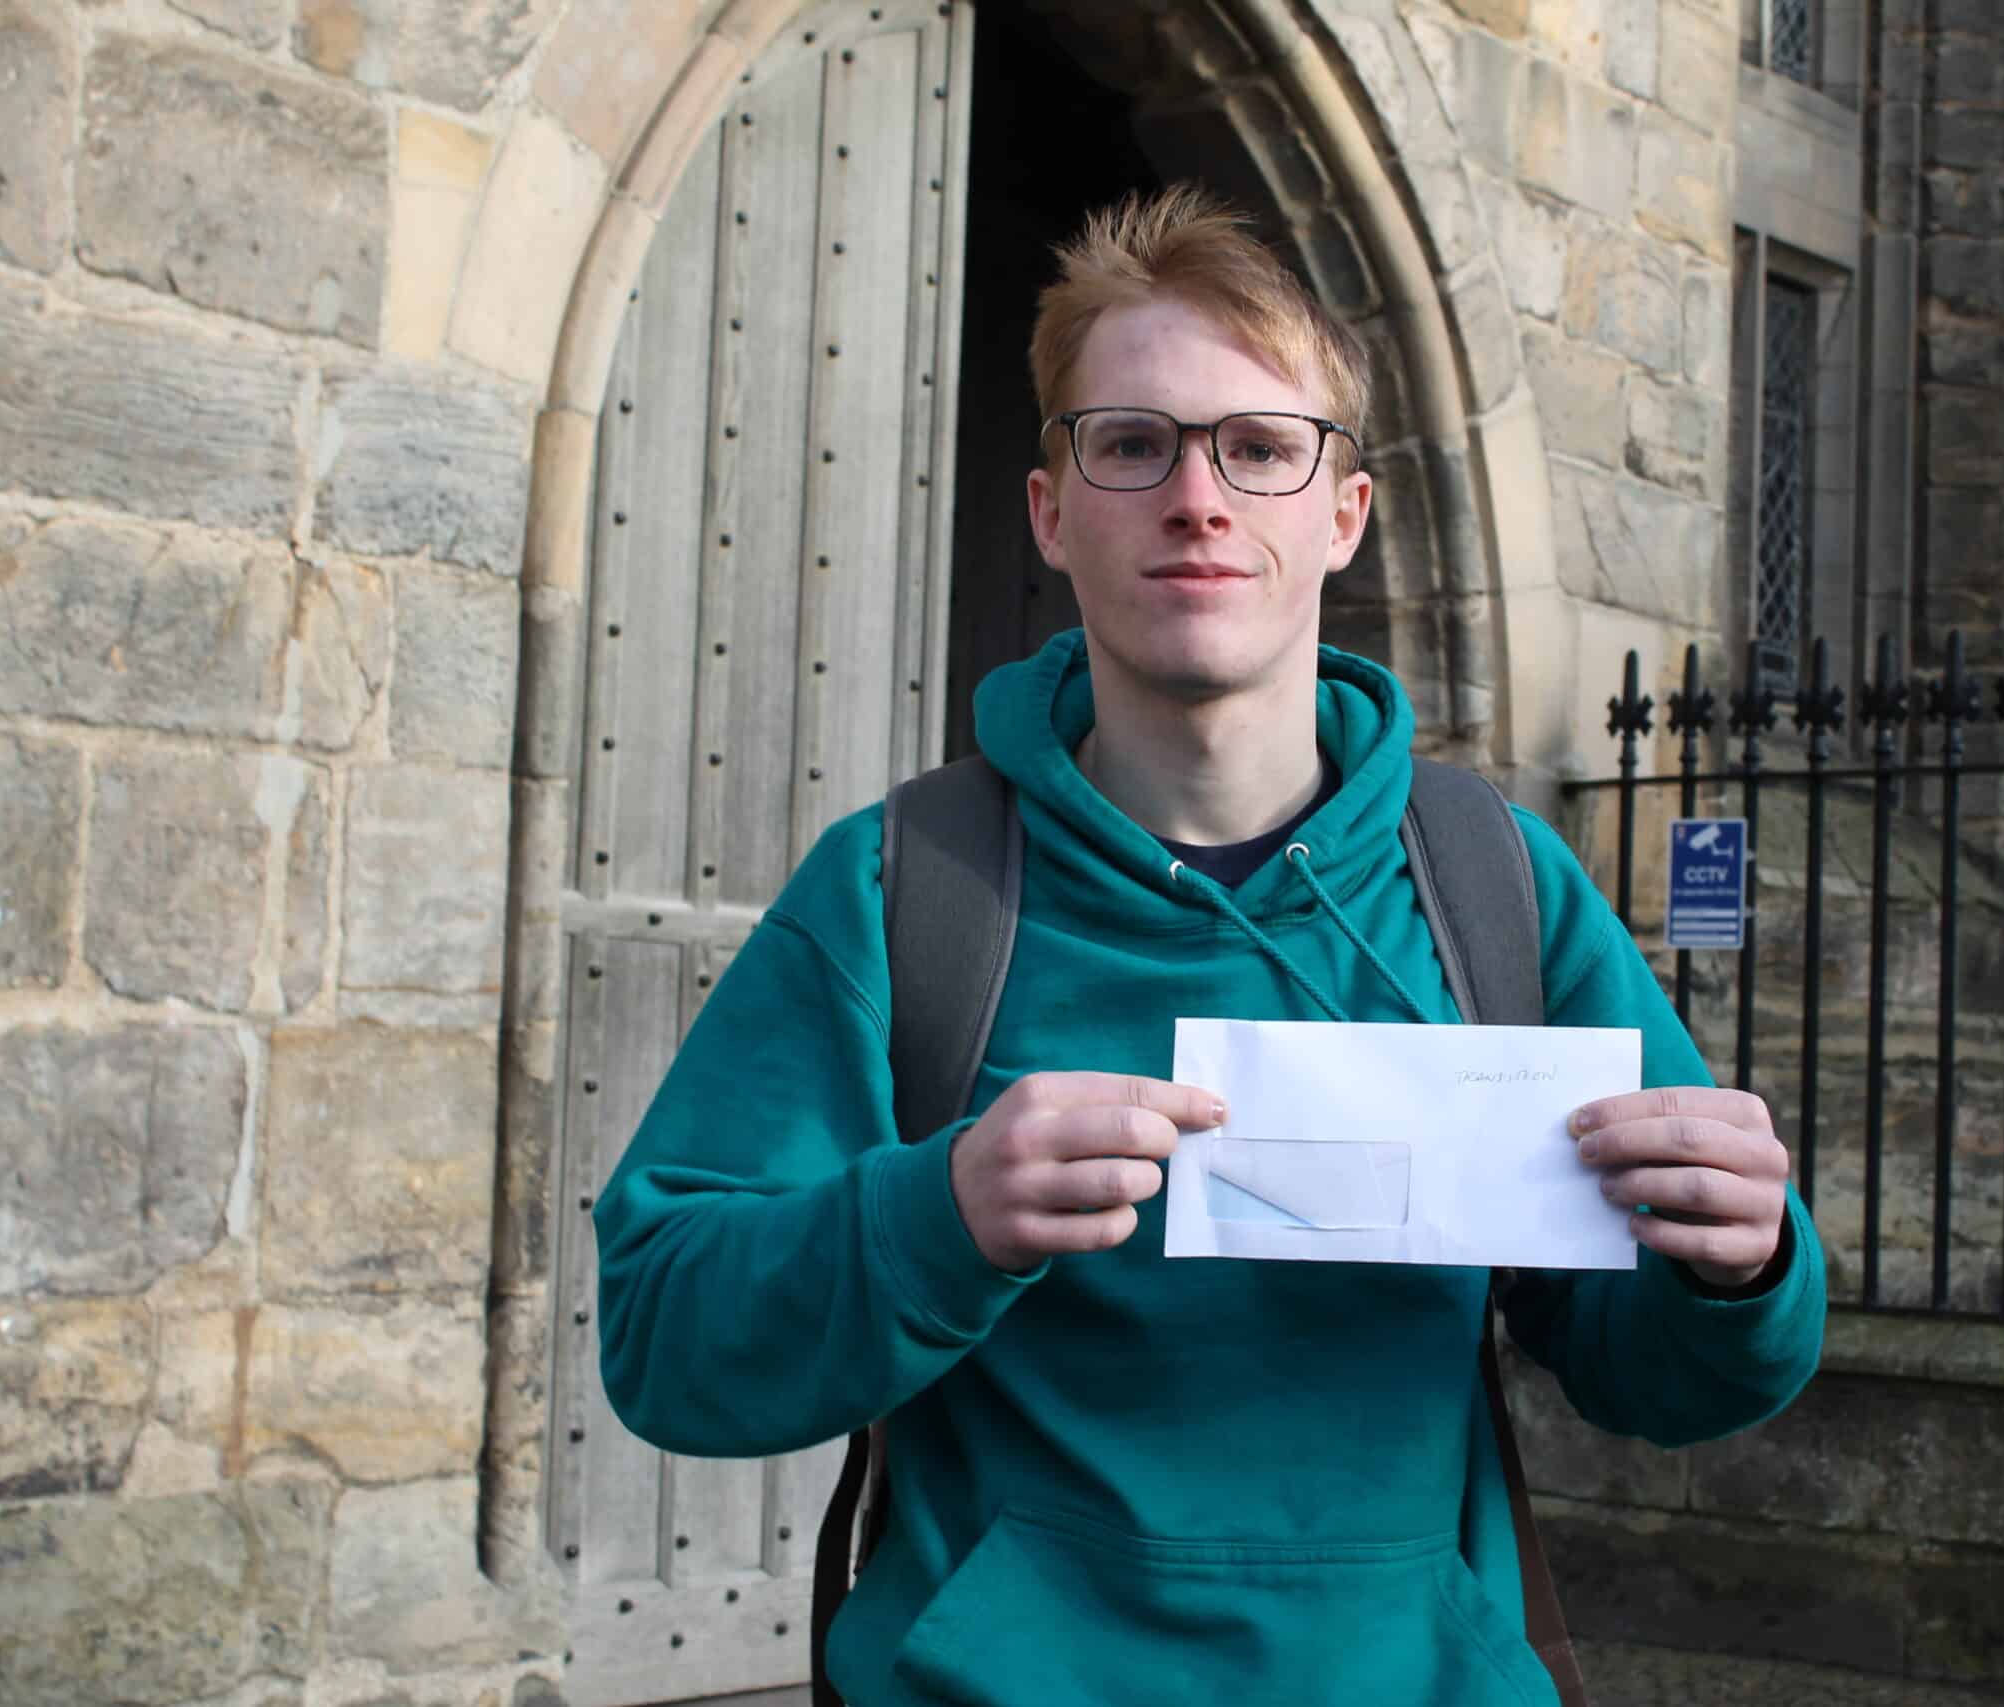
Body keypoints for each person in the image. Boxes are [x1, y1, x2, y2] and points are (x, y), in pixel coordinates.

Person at [596, 184, 1826, 1707]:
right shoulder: (906, 888)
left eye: (1258, 446)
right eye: (1133, 444)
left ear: (1342, 514)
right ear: (1052, 510)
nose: (1199, 497)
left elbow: (1663, 1374)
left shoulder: (1492, 885)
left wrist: (1744, 1267)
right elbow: (661, 1338)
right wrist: (937, 1212)